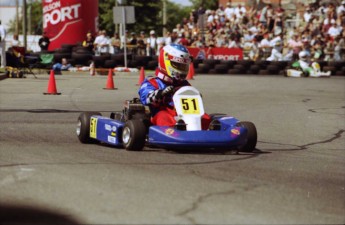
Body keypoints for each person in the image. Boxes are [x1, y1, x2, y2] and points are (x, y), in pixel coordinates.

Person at [138, 43, 211, 129]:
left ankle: (209, 130)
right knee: (163, 118)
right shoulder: (152, 82)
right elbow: (145, 97)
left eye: (184, 66)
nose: (182, 69)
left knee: (206, 118)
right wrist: (160, 93)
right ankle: (176, 131)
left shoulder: (184, 84)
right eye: (178, 65)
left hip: (184, 113)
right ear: (165, 62)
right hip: (162, 112)